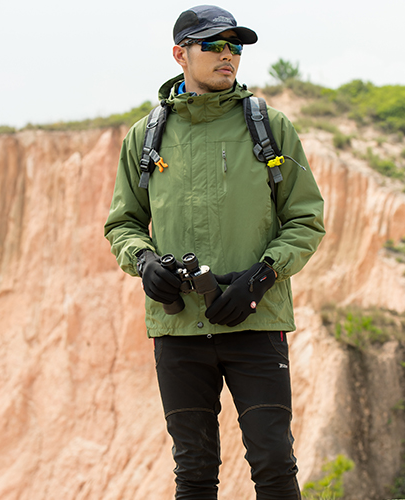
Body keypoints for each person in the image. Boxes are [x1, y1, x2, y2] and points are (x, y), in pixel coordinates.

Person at [104, 5, 325, 499]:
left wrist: (262, 278)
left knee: (274, 462)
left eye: (236, 46)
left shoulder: (269, 126)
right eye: (214, 45)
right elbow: (123, 223)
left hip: (256, 323)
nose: (228, 55)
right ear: (180, 54)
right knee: (195, 470)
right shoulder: (145, 136)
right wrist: (144, 262)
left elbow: (305, 219)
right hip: (178, 328)